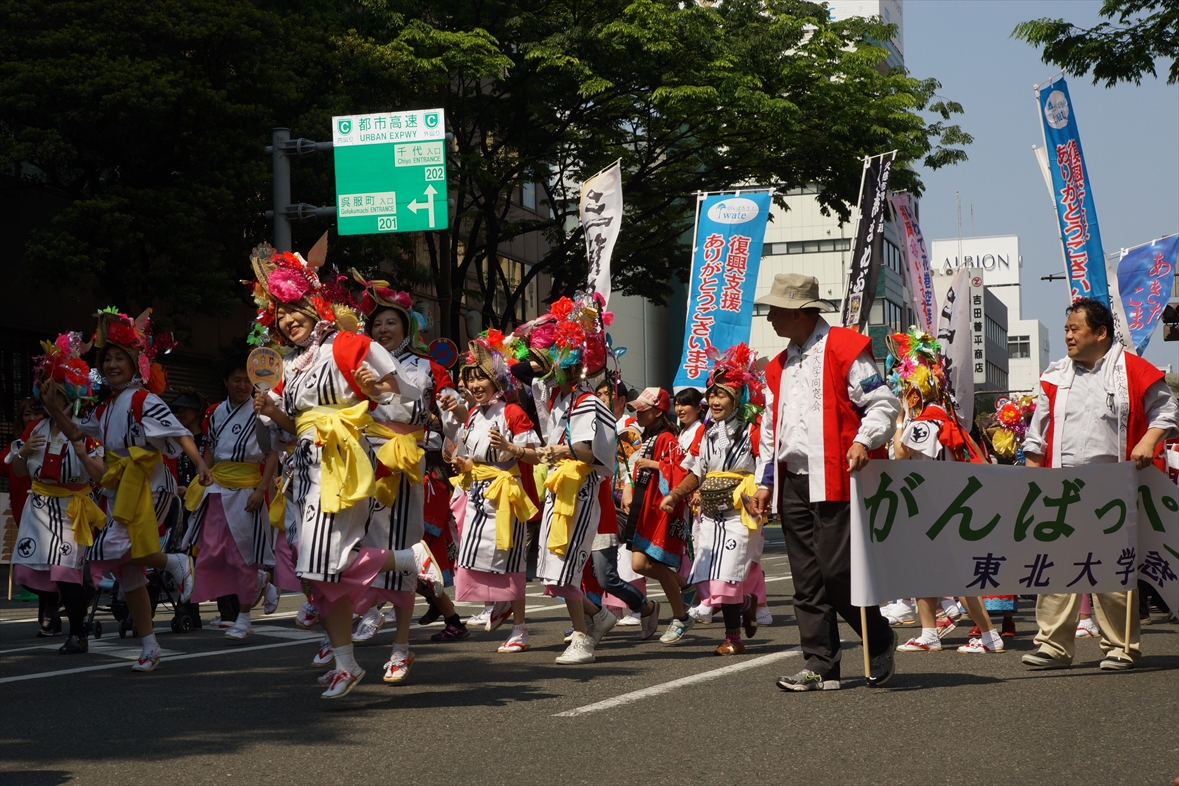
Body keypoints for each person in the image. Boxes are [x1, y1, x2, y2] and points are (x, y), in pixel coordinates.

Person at [247, 238, 422, 698]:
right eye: (280, 313)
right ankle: (345, 662)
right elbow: (288, 427)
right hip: (303, 463)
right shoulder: (291, 364)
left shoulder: (346, 342)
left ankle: (409, 559)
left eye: (295, 307)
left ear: (314, 304)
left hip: (342, 459)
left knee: (327, 561)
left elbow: (394, 392)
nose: (288, 319)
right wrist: (270, 407)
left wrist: (374, 387)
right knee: (312, 573)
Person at [750, 274, 900, 691]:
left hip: (838, 476)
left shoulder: (844, 348)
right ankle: (821, 665)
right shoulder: (778, 365)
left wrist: (862, 440)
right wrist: (764, 482)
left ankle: (879, 634)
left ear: (800, 312)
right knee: (806, 578)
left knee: (837, 574)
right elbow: (768, 429)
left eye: (776, 310)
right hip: (793, 479)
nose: (770, 317)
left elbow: (883, 402)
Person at [41, 308, 210, 673]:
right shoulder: (104, 409)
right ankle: (149, 646)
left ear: (137, 365)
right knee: (129, 573)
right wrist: (53, 408)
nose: (114, 363)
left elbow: (178, 433)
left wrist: (199, 463)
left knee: (115, 550)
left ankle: (173, 561)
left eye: (121, 357)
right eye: (108, 358)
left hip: (151, 486)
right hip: (121, 489)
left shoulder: (142, 400)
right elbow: (76, 433)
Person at [1020, 297, 1178, 671]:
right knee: (1057, 563)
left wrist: (1148, 440)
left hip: (1113, 488)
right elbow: (1036, 435)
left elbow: (1167, 409)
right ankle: (1053, 645)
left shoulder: (1133, 369)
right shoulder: (1054, 374)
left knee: (1112, 567)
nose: (1068, 336)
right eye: (1066, 330)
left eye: (1075, 329)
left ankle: (1121, 646)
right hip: (1060, 488)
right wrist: (1029, 480)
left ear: (1101, 332)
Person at [350, 276, 460, 683]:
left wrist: (453, 406)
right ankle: (359, 609)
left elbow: (452, 409)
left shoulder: (426, 367)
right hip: (361, 458)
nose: (383, 329)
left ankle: (400, 647)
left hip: (401, 464)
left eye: (391, 323)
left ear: (407, 327)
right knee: (347, 540)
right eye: (377, 323)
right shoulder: (356, 364)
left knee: (397, 549)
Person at [883, 329, 1002, 655]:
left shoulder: (924, 422)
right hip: (935, 505)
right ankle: (929, 633)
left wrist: (898, 423)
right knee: (923, 571)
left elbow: (901, 452)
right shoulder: (942, 418)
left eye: (906, 387)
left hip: (937, 507)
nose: (903, 392)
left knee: (956, 576)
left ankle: (990, 636)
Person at [522, 291, 617, 665]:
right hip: (559, 489)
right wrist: (517, 452)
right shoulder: (559, 401)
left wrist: (554, 452)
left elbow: (587, 453)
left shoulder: (587, 401)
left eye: (547, 363)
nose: (540, 371)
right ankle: (600, 616)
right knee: (555, 572)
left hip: (579, 490)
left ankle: (582, 637)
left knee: (568, 568)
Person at [662, 345, 765, 654]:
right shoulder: (706, 433)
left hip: (740, 510)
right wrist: (675, 494)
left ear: (738, 399)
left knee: (729, 573)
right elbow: (696, 472)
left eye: (723, 395)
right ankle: (746, 603)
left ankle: (733, 638)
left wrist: (763, 494)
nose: (715, 401)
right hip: (710, 512)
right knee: (708, 573)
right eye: (713, 395)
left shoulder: (753, 431)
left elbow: (766, 466)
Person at [10, 333, 104, 654]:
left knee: (66, 574)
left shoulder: (84, 427)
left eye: (59, 394)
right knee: (28, 570)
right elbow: (20, 471)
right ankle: (55, 610)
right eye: (48, 393)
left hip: (69, 510)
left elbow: (97, 470)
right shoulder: (35, 429)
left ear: (71, 398)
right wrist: (23, 453)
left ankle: (78, 632)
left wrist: (82, 453)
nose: (52, 400)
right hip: (38, 508)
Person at [447, 334, 539, 654]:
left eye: (480, 377)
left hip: (505, 495)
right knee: (475, 556)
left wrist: (511, 447)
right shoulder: (474, 415)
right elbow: (472, 456)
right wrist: (461, 462)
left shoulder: (512, 412)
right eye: (470, 378)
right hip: (478, 492)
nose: (474, 384)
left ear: (496, 379)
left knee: (511, 561)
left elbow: (535, 453)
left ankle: (520, 628)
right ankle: (500, 604)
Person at [183, 357, 280, 641]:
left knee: (242, 556)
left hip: (246, 488)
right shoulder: (216, 412)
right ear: (225, 382)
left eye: (247, 380)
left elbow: (272, 453)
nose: (242, 385)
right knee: (211, 550)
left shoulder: (261, 411)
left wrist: (261, 490)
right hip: (217, 487)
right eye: (236, 380)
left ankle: (244, 617)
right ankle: (260, 579)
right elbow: (212, 448)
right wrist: (205, 470)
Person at [621, 387, 695, 643]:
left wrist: (655, 465)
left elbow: (684, 471)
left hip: (661, 508)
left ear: (656, 412)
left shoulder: (666, 437)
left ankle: (681, 615)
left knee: (653, 564)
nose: (637, 413)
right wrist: (629, 490)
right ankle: (685, 589)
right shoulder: (647, 437)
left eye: (642, 409)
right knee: (641, 564)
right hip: (646, 507)